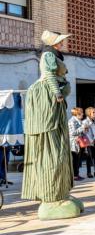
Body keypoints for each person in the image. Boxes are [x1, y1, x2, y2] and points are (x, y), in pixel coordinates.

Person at [22, 31, 82, 220]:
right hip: (47, 103)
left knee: (60, 150)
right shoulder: (48, 55)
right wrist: (57, 94)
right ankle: (51, 199)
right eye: (59, 41)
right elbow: (48, 76)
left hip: (54, 104)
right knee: (51, 150)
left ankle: (61, 194)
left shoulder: (54, 55)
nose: (62, 43)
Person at [68, 107, 88, 181]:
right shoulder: (72, 121)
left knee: (78, 160)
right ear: (77, 113)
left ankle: (77, 174)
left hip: (80, 143)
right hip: (74, 144)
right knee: (75, 160)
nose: (83, 114)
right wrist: (82, 128)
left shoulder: (79, 120)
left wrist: (85, 129)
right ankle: (74, 176)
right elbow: (73, 133)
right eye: (81, 112)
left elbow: (81, 131)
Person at [83, 106, 95, 178]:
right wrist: (91, 140)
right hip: (90, 142)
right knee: (89, 158)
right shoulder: (85, 122)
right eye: (93, 112)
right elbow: (85, 133)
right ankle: (89, 173)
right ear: (89, 113)